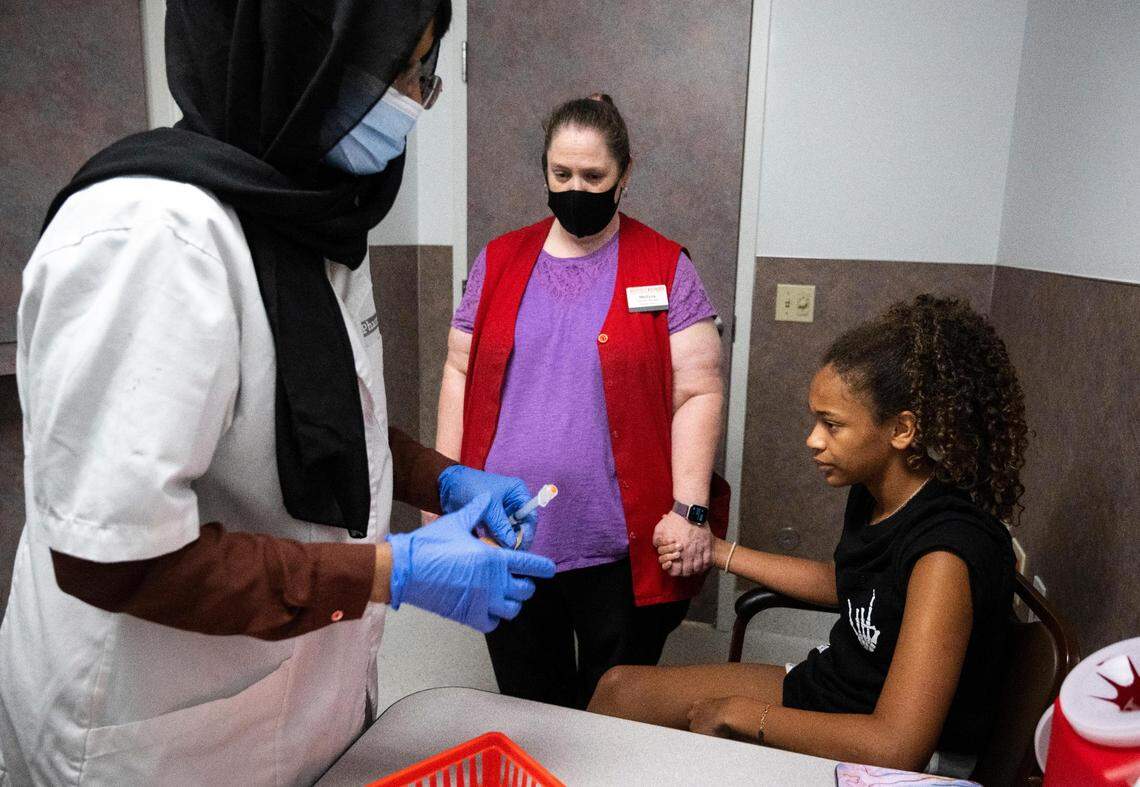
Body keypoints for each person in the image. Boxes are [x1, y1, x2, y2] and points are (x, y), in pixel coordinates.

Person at [0, 2, 555, 784]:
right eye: (400, 69)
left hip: (300, 698)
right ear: (300, 55)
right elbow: (115, 562)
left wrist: (445, 476)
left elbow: (319, 415)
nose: (417, 97)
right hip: (158, 730)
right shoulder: (148, 238)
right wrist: (391, 571)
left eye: (425, 72)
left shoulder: (314, 219)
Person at [588, 295, 1028, 777]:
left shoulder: (945, 554)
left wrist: (745, 715)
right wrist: (718, 551)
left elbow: (897, 748)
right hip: (835, 688)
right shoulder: (876, 492)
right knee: (618, 689)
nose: (813, 440)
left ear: (902, 429)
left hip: (880, 747)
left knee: (691, 728)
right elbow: (851, 585)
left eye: (832, 425)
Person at [433, 93, 727, 710]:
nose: (575, 189)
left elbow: (698, 390)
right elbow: (459, 370)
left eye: (593, 176)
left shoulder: (665, 265)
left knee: (613, 709)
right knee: (528, 705)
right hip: (508, 537)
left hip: (618, 542)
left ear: (625, 174)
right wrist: (442, 488)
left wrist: (691, 509)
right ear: (544, 169)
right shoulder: (501, 259)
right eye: (560, 174)